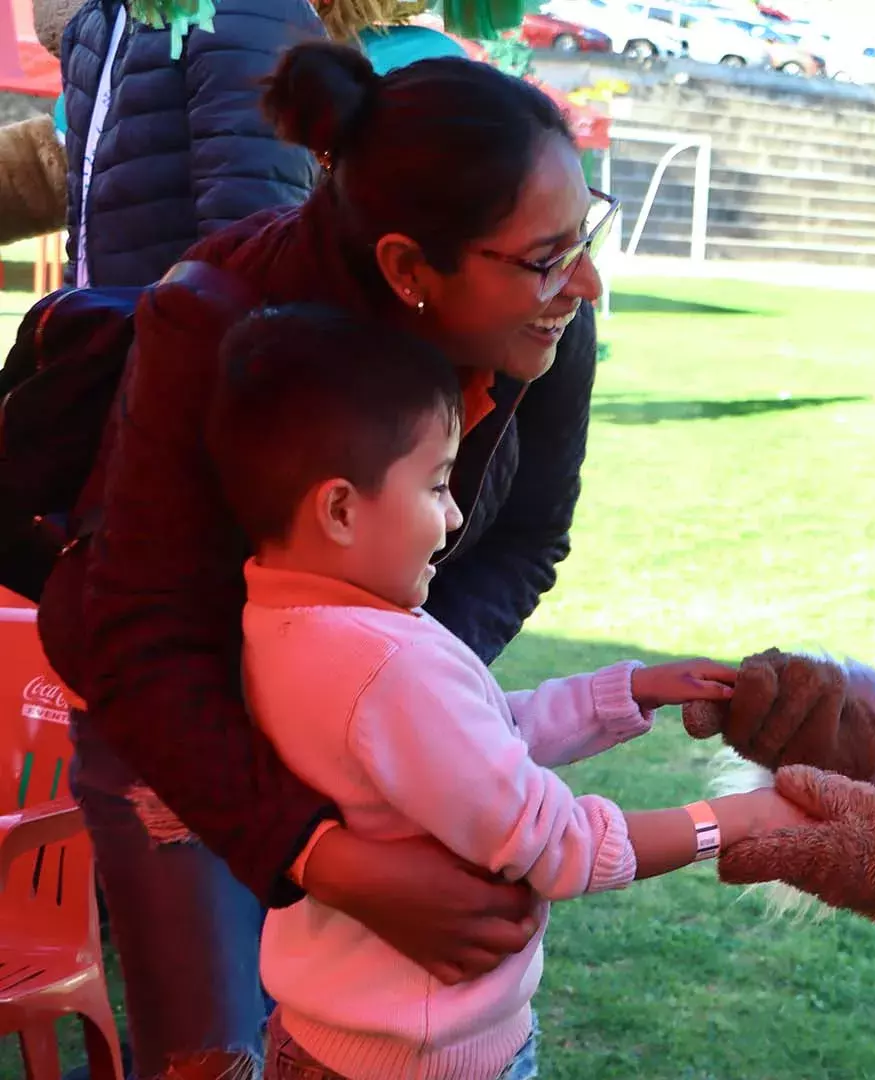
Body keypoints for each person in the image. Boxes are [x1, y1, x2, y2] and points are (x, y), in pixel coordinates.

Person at [34, 42, 613, 1080]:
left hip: (369, 725)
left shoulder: (546, 328)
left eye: (584, 236)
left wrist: (397, 692)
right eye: (544, 257)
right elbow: (142, 632)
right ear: (407, 267)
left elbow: (528, 538)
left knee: (383, 1044)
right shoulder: (212, 320)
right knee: (214, 1054)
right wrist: (329, 856)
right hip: (177, 727)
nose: (586, 283)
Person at [204, 305, 807, 1080]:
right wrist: (733, 821)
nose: (454, 517)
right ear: (341, 509)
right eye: (435, 486)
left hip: (325, 1042)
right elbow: (559, 846)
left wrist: (627, 691)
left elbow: (472, 744)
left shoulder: (281, 620)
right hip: (422, 1065)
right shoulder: (385, 663)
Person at [60, 0, 325, 287]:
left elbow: (251, 235)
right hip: (123, 323)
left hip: (189, 324)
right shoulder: (91, 24)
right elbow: (83, 231)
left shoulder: (249, 10)